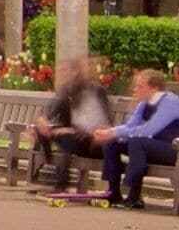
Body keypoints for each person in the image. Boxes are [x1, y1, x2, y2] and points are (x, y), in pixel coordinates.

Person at [101, 69, 179, 210]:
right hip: (154, 146)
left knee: (137, 142)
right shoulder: (144, 104)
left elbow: (149, 130)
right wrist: (110, 133)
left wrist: (115, 132)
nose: (135, 89)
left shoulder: (170, 102)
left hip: (178, 149)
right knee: (112, 143)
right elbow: (131, 126)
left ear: (153, 88)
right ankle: (113, 193)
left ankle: (134, 197)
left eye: (140, 86)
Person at [23, 57, 114, 190]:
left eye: (64, 71)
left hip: (94, 141)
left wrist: (70, 130)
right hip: (74, 138)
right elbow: (50, 110)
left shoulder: (95, 91)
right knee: (42, 130)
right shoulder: (66, 90)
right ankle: (45, 176)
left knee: (65, 140)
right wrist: (40, 122)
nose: (60, 75)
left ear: (75, 72)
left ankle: (60, 184)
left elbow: (100, 123)